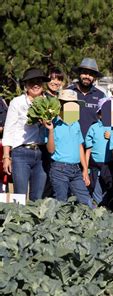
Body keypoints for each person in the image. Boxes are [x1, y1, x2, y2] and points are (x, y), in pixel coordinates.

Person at [2, 68, 49, 201]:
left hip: (41, 154)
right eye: (31, 82)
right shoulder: (17, 102)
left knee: (38, 198)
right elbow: (8, 130)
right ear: (26, 85)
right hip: (21, 154)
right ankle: (15, 222)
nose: (35, 85)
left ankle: (35, 223)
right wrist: (6, 156)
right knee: (19, 196)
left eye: (38, 81)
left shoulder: (50, 103)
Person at [44, 90, 93, 208]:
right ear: (60, 104)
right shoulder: (52, 123)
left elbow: (79, 146)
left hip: (76, 169)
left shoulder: (76, 123)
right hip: (59, 169)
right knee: (61, 204)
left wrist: (85, 169)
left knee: (86, 202)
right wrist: (50, 130)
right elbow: (50, 150)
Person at [84, 98, 113, 205]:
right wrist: (86, 169)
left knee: (110, 193)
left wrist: (112, 137)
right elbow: (88, 150)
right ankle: (97, 216)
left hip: (110, 167)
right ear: (99, 114)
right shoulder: (93, 128)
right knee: (96, 194)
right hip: (95, 167)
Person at [67, 58, 106, 137]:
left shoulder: (101, 95)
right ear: (79, 73)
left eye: (91, 74)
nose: (87, 76)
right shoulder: (68, 92)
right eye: (84, 73)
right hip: (71, 141)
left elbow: (105, 120)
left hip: (93, 143)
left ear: (95, 77)